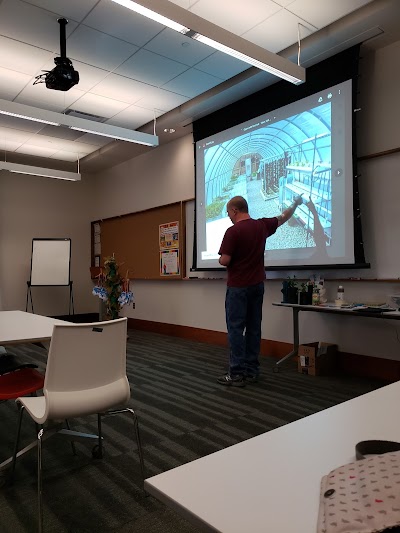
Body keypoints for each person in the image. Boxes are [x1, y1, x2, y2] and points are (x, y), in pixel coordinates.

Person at [217, 194, 303, 387]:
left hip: (238, 287)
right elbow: (283, 217)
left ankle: (236, 372)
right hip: (257, 286)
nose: (229, 216)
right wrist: (296, 203)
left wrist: (221, 258)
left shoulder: (233, 231)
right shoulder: (261, 226)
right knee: (254, 328)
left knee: (236, 330)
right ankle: (252, 370)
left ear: (235, 210)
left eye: (229, 212)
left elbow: (225, 260)